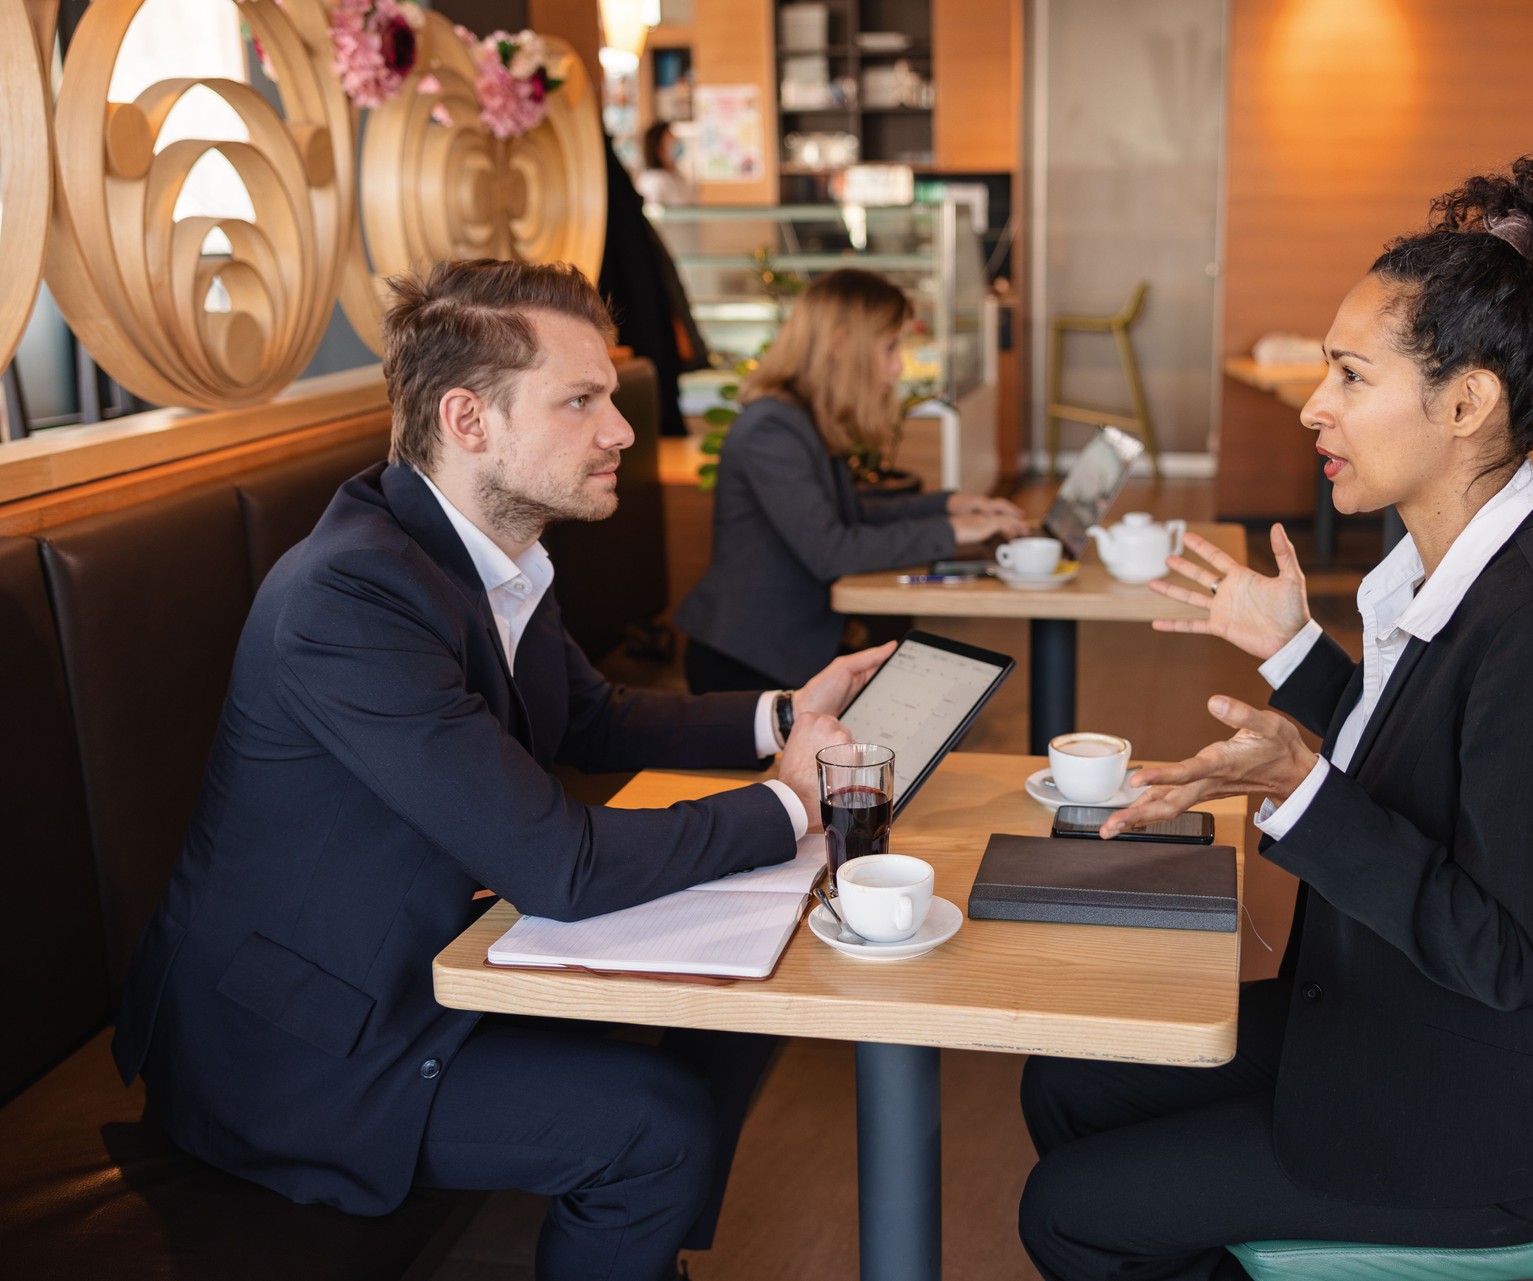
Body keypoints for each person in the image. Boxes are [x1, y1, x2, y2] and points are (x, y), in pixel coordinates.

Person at [112, 258, 888, 1281]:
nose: (619, 429)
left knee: (738, 1007)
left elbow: (596, 717)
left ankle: (632, 1256)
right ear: (468, 421)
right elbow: (560, 868)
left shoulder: (484, 549)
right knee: (655, 1126)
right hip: (302, 1043)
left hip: (428, 959)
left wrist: (786, 712)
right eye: (582, 401)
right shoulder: (351, 596)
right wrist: (792, 801)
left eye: (610, 397)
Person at [1016, 156, 1533, 1279]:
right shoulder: (1476, 575)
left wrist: (1303, 788)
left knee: (1069, 1211)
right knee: (1065, 1080)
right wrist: (1292, 649)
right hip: (1423, 1027)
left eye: (1348, 375)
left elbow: (1507, 957)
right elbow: (1432, 763)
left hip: (1503, 1114)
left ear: (1467, 403)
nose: (1311, 405)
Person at [676, 268, 1028, 693]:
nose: (898, 366)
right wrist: (953, 531)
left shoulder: (801, 416)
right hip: (749, 663)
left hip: (782, 648)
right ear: (841, 345)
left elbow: (850, 512)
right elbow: (832, 550)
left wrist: (948, 506)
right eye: (890, 347)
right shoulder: (772, 430)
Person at [638, 120, 696, 207]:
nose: (677, 145)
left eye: (676, 141)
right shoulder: (652, 181)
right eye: (672, 143)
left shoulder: (680, 177)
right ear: (659, 149)